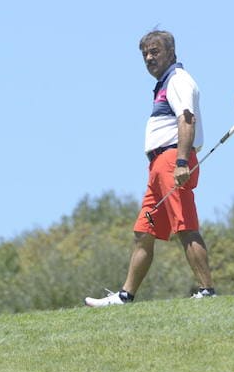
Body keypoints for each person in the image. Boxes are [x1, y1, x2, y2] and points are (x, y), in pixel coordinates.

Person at [85, 30, 214, 306]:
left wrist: (181, 162)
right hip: (158, 167)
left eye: (155, 51)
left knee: (185, 227)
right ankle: (125, 296)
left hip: (172, 163)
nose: (149, 57)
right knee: (144, 231)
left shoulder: (178, 81)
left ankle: (207, 291)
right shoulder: (164, 84)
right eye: (145, 53)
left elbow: (187, 120)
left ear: (172, 53)